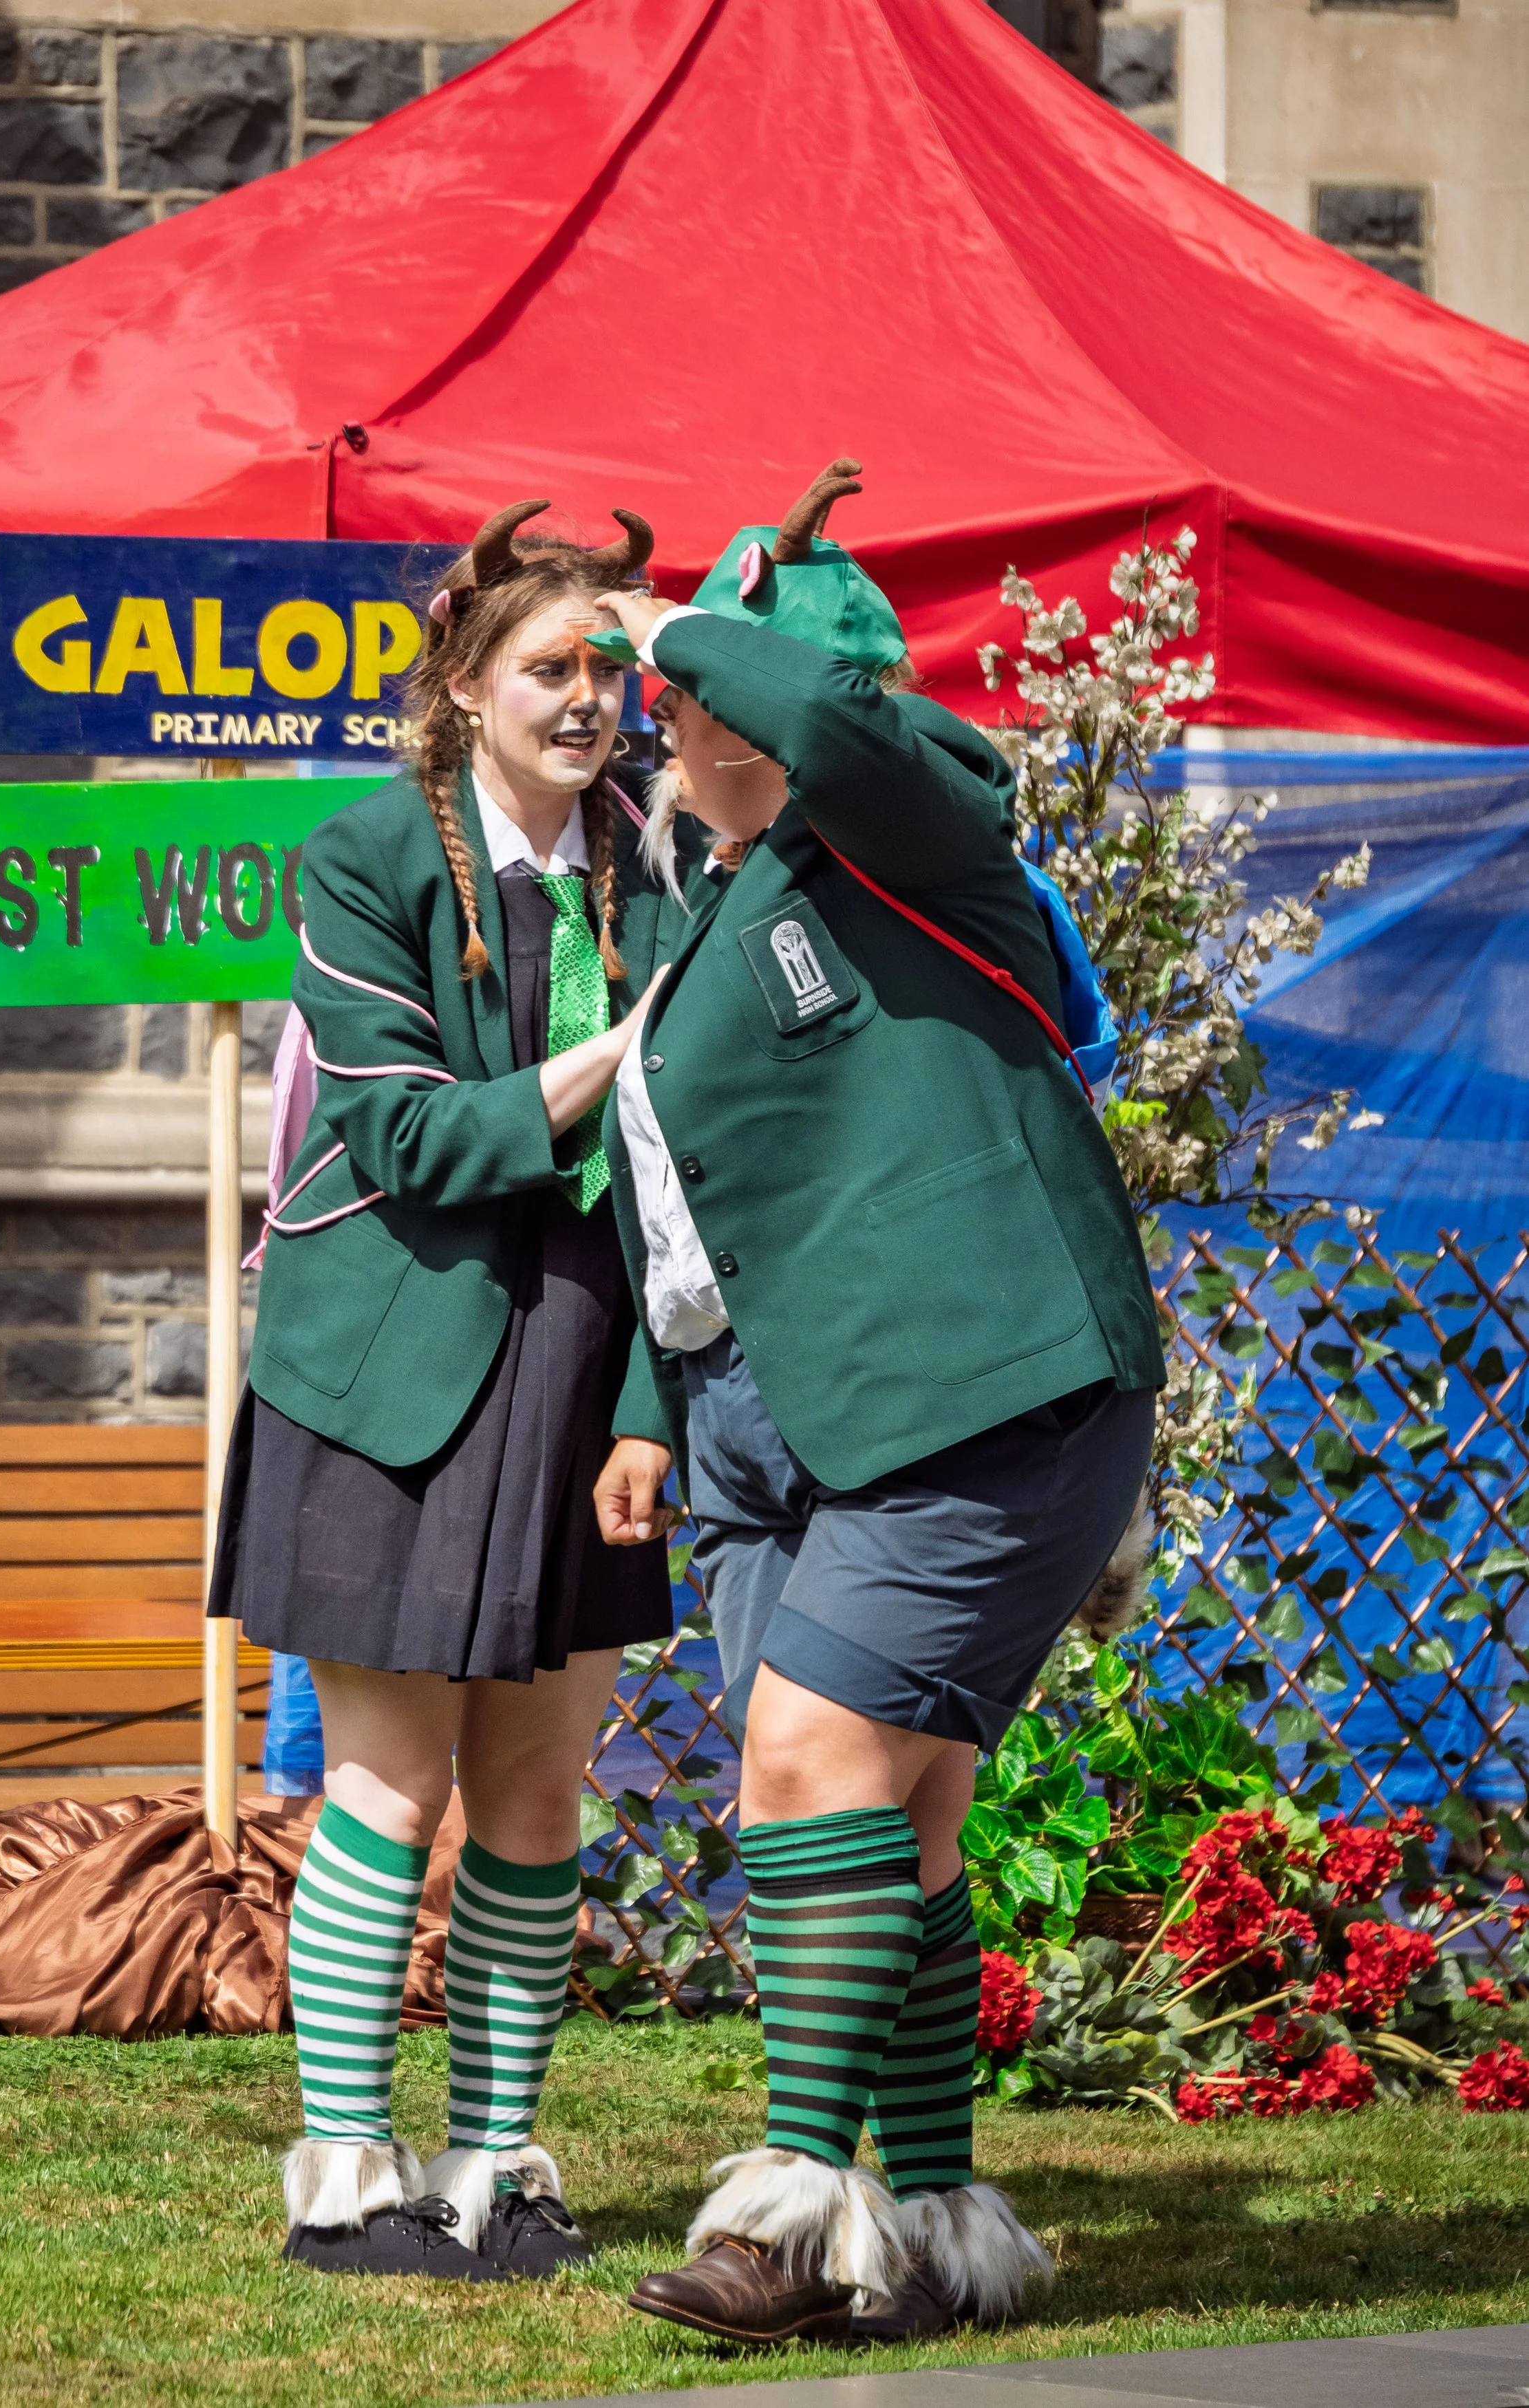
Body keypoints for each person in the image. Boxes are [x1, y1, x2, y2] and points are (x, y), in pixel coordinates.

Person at [586, 464, 1164, 2345]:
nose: (650, 713)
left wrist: (659, 610)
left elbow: (835, 710)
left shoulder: (914, 824)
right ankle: (917, 2224)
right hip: (773, 1419)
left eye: (675, 692)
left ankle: (777, 2214)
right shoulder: (708, 896)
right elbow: (682, 1198)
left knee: (803, 1767)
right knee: (887, 1815)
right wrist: (652, 1407)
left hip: (967, 1379)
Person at [209, 499, 680, 2282]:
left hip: (580, 1381)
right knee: (390, 1793)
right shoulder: (362, 857)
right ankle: (343, 2164)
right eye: (550, 669)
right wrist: (616, 1054)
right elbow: (401, 1130)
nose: (587, 699)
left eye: (608, 670)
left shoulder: (657, 864)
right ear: (467, 689)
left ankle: (494, 2156)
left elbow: (677, 1191)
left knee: (539, 1795)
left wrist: (651, 1406)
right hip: (389, 1372)